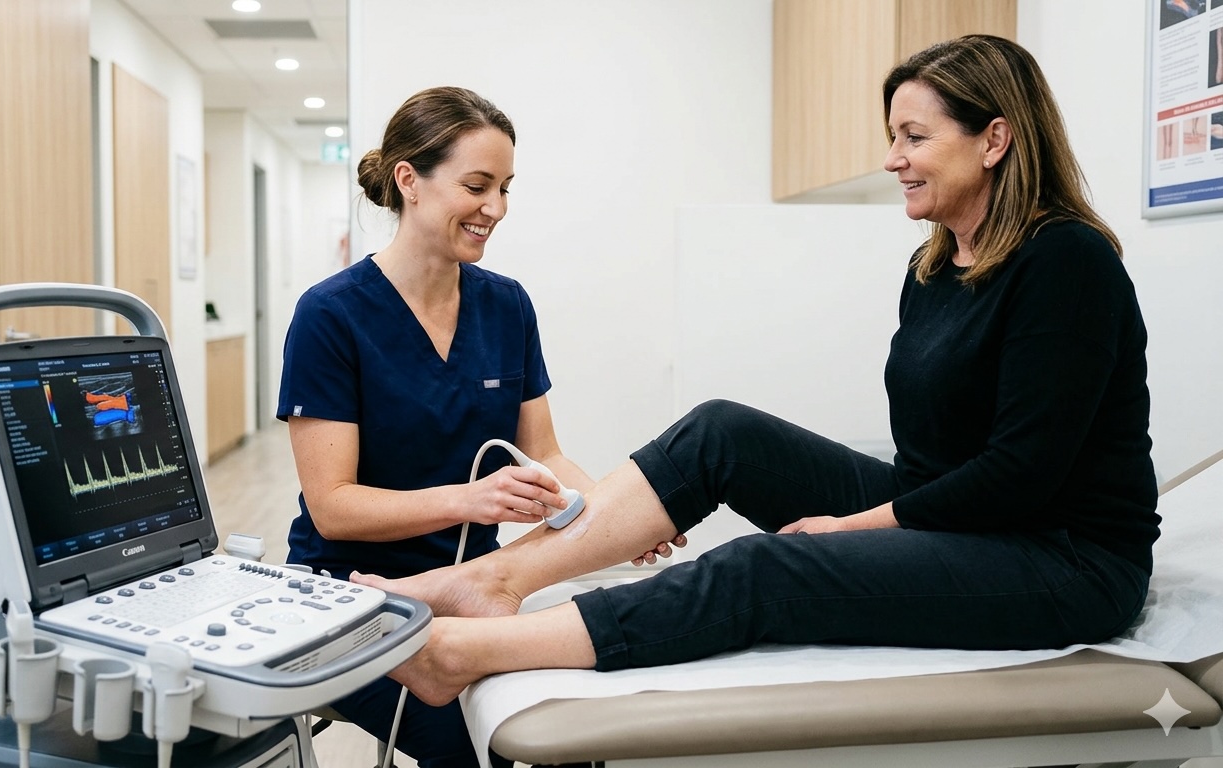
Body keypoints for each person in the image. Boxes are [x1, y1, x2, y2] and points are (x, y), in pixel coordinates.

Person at [355, 35, 1161, 711]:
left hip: (1061, 559)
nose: (894, 159)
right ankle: (490, 580)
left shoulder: (1065, 261)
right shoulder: (938, 265)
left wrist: (847, 530)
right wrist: (867, 520)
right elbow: (935, 461)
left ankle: (470, 649)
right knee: (722, 431)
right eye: (895, 137)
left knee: (765, 567)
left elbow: (1020, 476)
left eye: (914, 137)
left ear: (994, 138)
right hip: (958, 518)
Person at [277, 87, 674, 768]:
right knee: (479, 745)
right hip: (349, 599)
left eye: (506, 188)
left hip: (479, 587)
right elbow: (332, 507)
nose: (496, 208)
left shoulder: (506, 306)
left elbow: (544, 451)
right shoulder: (332, 316)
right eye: (477, 186)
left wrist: (621, 516)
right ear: (409, 182)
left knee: (578, 735)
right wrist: (471, 499)